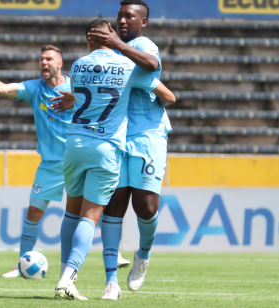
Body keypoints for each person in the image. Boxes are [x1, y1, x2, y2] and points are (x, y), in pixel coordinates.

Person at [0, 45, 126, 278]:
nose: (43, 63)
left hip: (78, 158)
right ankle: (22, 263)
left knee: (96, 209)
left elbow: (98, 101)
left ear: (60, 63)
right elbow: (5, 89)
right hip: (51, 164)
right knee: (34, 212)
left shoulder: (75, 85)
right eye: (41, 59)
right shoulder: (34, 88)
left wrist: (75, 99)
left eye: (49, 59)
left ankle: (112, 252)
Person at [53, 19, 168, 301]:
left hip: (75, 143)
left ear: (89, 41)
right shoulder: (128, 67)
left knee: (72, 210)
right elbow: (167, 95)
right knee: (91, 216)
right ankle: (69, 276)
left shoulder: (78, 66)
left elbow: (81, 95)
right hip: (106, 147)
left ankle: (64, 273)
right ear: (112, 37)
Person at [87, 0, 174, 293]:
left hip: (148, 134)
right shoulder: (110, 54)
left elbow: (152, 66)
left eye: (130, 16)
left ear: (143, 22)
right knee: (114, 205)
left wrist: (117, 44)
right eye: (120, 15)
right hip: (115, 136)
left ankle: (144, 253)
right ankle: (111, 281)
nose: (123, 20)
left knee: (146, 207)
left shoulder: (144, 45)